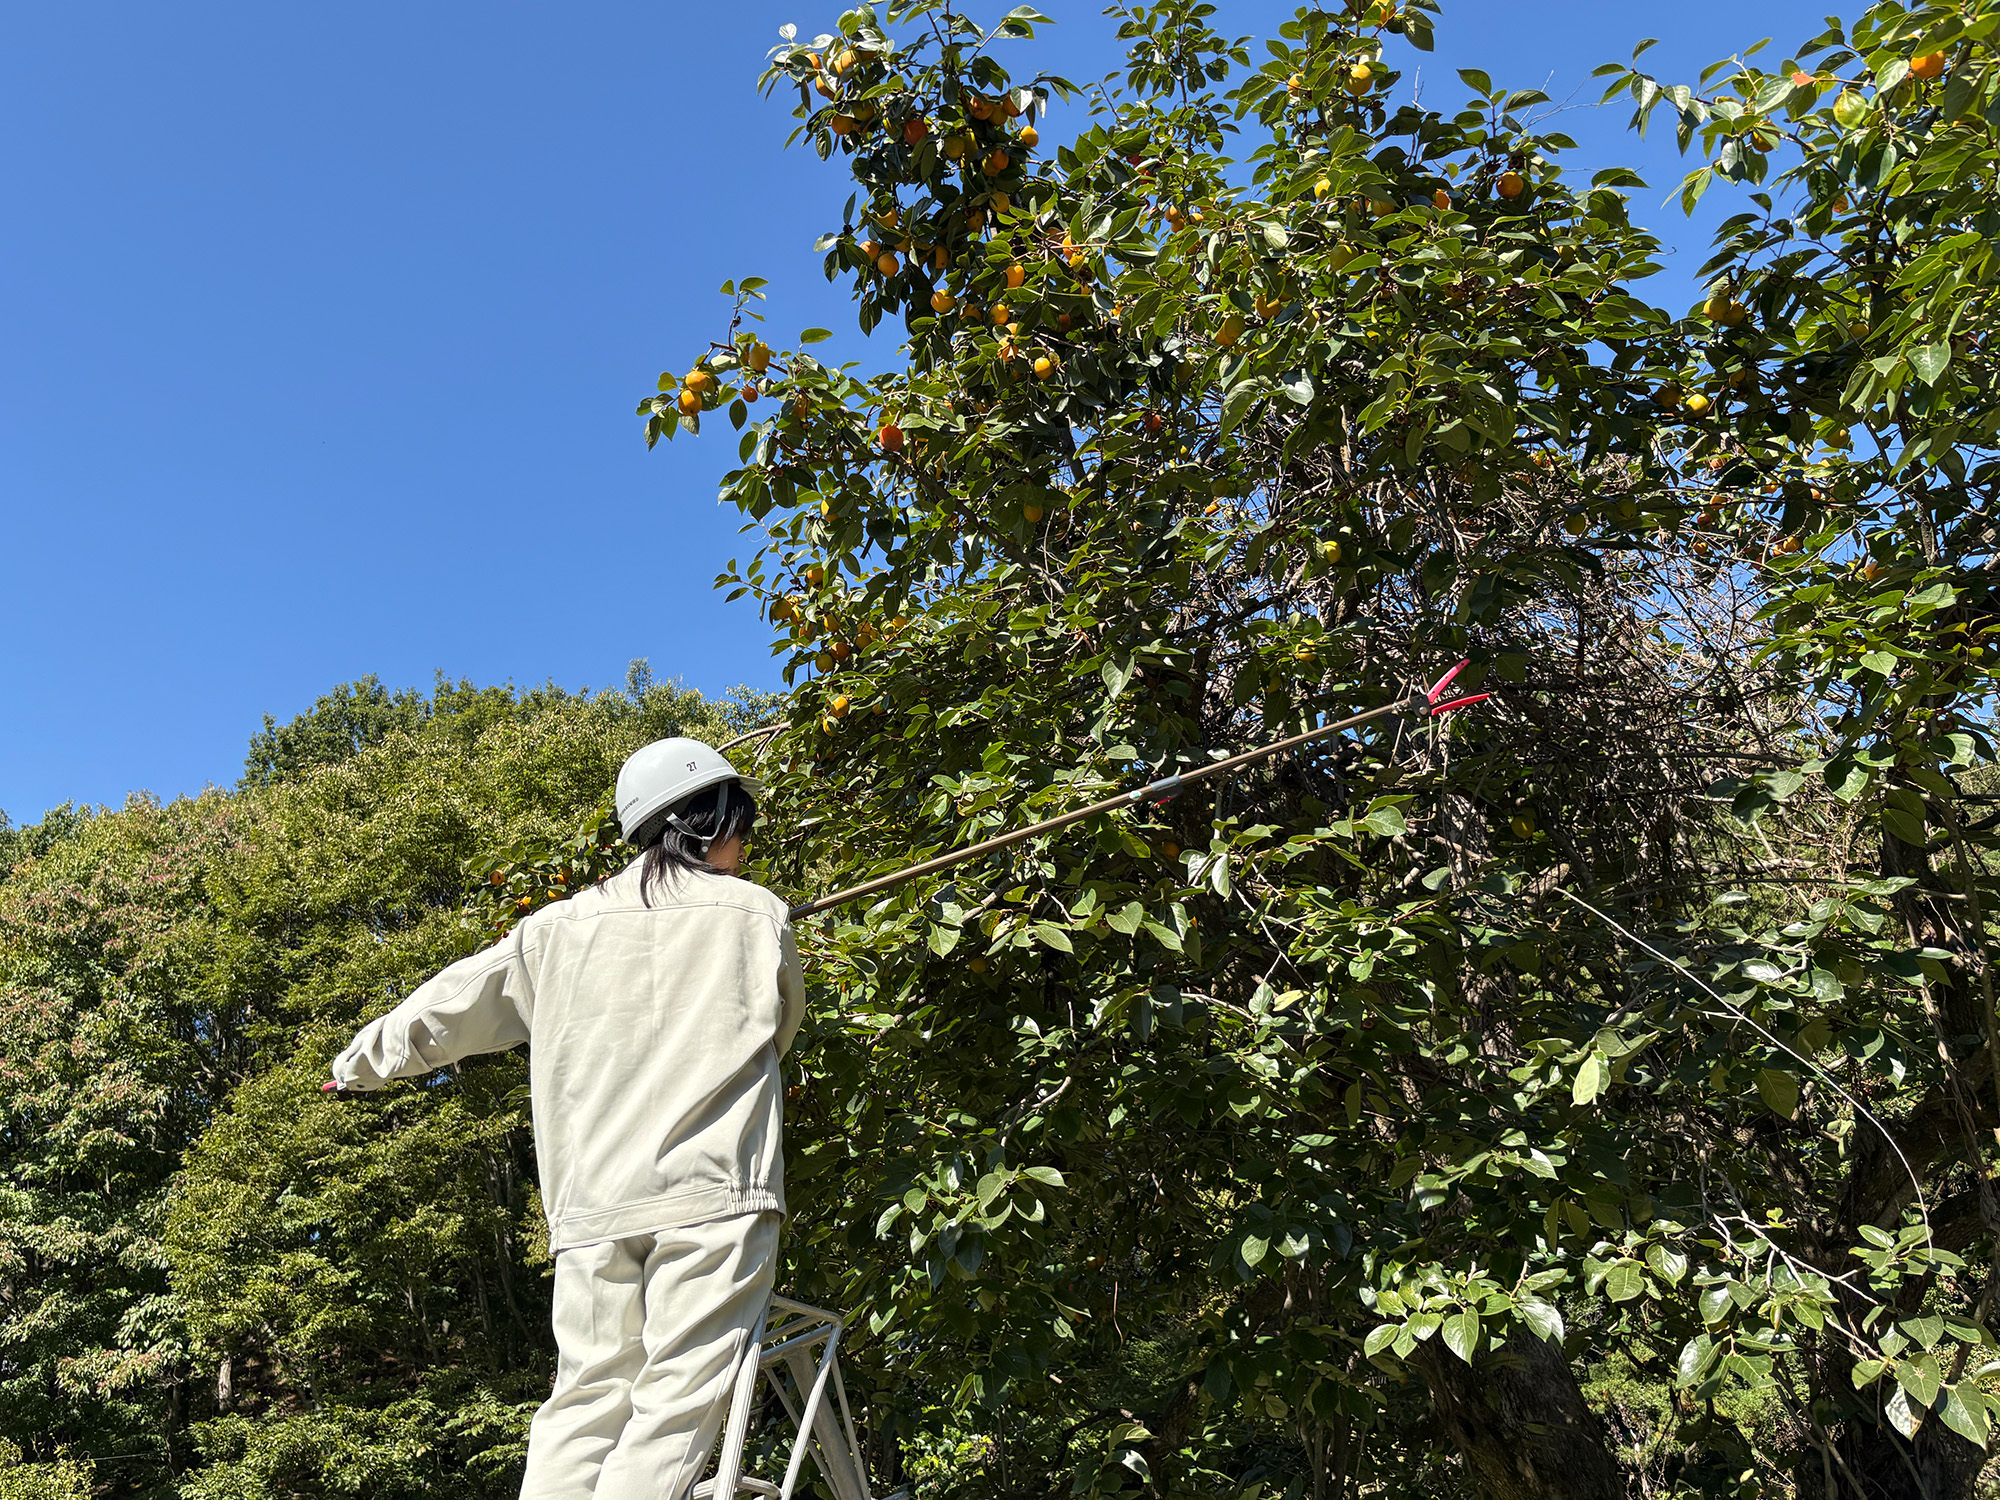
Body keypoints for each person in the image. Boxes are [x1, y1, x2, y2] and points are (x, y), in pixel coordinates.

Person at [323, 737, 806, 1500]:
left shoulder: (554, 930)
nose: (744, 847)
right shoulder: (755, 913)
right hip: (713, 1196)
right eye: (740, 827)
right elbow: (777, 1034)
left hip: (591, 1211)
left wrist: (355, 1066)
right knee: (672, 1411)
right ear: (711, 820)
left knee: (583, 1404)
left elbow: (449, 1005)